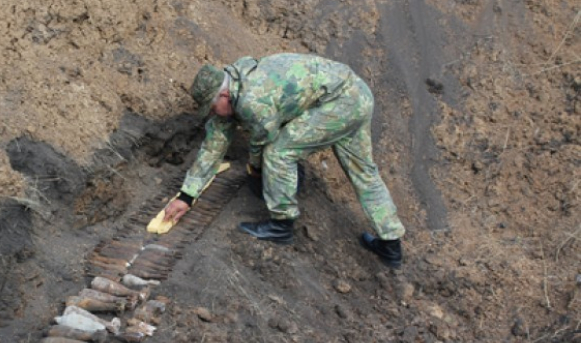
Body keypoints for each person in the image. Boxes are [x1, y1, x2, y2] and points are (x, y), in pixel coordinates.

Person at [162, 53, 406, 268]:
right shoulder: (235, 84)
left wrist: (256, 170)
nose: (213, 113)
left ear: (224, 94)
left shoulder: (253, 98)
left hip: (341, 101)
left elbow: (263, 140)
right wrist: (187, 195)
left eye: (213, 107)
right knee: (364, 171)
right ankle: (390, 244)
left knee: (279, 153)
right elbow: (213, 145)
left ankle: (281, 225)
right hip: (357, 94)